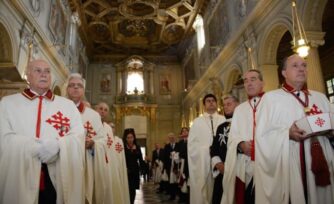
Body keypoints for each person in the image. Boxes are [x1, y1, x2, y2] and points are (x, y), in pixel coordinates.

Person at [0, 59, 85, 204]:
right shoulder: (8, 103)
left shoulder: (67, 105)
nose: (44, 75)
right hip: (20, 173)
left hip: (55, 176)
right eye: (38, 71)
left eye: (47, 71)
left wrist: (59, 145)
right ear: (28, 75)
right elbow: (3, 136)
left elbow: (78, 135)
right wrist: (35, 148)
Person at [255, 54, 334, 204]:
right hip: (293, 163)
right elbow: (262, 137)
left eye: (304, 65)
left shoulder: (320, 97)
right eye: (295, 66)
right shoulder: (271, 99)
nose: (301, 69)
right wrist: (286, 134)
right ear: (284, 73)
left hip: (324, 157)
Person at [221, 69, 265, 204]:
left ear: (262, 83)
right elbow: (233, 136)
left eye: (253, 79)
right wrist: (241, 144)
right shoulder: (240, 109)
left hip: (269, 163)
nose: (249, 83)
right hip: (245, 164)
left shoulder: (273, 102)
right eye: (246, 81)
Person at [66, 73, 108, 204]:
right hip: (63, 162)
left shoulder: (93, 115)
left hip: (86, 165)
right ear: (66, 89)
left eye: (79, 86)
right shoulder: (58, 110)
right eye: (72, 85)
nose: (75, 88)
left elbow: (103, 140)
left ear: (83, 90)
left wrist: (93, 143)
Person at [188, 93, 226, 204]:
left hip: (221, 162)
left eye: (213, 100)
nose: (211, 102)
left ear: (216, 104)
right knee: (205, 191)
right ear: (204, 105)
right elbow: (191, 145)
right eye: (208, 101)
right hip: (203, 164)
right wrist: (205, 151)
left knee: (220, 191)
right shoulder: (197, 122)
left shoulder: (223, 119)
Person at [95, 103, 130, 204]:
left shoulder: (108, 128)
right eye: (100, 108)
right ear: (95, 109)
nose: (103, 111)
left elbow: (109, 148)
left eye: (105, 110)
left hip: (107, 164)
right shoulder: (90, 123)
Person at [210, 95, 239, 204]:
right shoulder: (220, 127)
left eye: (229, 104)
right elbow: (214, 149)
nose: (226, 107)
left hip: (238, 169)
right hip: (222, 170)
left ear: (237, 105)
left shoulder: (242, 123)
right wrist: (218, 164)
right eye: (224, 105)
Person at [123, 128, 145, 204]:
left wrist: (143, 169)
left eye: (131, 137)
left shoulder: (137, 147)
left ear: (134, 138)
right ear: (125, 139)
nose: (130, 139)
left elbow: (141, 160)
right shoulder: (123, 148)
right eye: (128, 138)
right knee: (128, 190)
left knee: (133, 191)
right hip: (126, 172)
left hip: (135, 172)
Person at [163, 132, 179, 200]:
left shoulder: (178, 145)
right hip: (169, 167)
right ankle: (172, 195)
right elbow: (165, 157)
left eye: (172, 137)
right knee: (171, 181)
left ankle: (178, 194)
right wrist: (166, 168)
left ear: (174, 137)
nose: (171, 138)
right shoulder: (166, 146)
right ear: (168, 138)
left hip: (177, 166)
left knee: (177, 181)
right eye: (170, 137)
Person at [177, 127, 190, 204]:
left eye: (186, 131)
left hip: (189, 164)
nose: (184, 132)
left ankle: (188, 199)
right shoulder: (180, 143)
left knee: (188, 181)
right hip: (182, 164)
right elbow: (179, 153)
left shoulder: (191, 141)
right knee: (182, 180)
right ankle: (182, 198)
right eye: (183, 131)